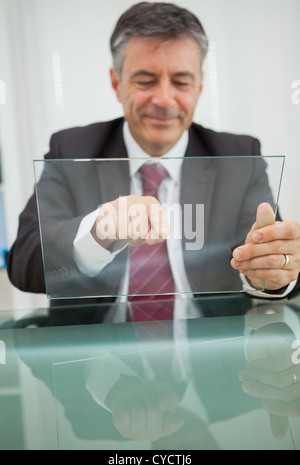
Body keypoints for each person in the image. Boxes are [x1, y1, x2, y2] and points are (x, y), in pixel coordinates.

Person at [6, 2, 300, 310]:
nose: (163, 99)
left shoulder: (240, 157)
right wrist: (97, 232)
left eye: (182, 81)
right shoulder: (72, 151)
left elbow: (273, 268)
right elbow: (23, 261)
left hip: (211, 346)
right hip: (94, 353)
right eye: (145, 80)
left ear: (200, 85)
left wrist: (271, 272)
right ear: (116, 82)